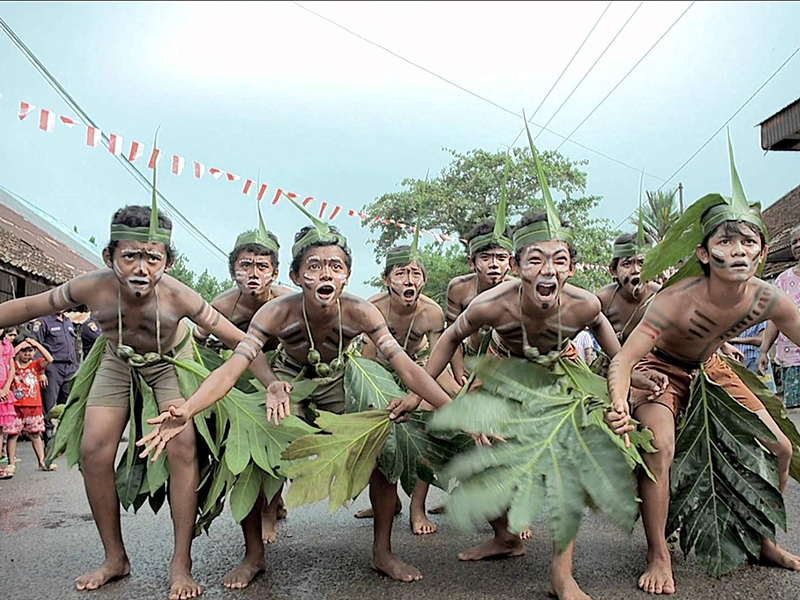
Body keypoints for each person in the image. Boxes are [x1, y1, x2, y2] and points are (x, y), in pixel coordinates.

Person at [387, 136, 665, 600]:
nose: (547, 271)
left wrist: (626, 382)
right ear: (517, 265)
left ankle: (562, 572)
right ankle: (505, 536)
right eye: (535, 260)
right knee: (460, 446)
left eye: (559, 260)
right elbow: (452, 338)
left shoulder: (584, 305)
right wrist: (419, 394)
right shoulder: (489, 305)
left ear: (572, 266)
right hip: (500, 371)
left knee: (570, 460)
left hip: (561, 373)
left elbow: (613, 349)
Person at [138, 197, 454, 584]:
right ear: (297, 273)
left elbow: (407, 368)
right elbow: (235, 366)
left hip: (341, 377)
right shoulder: (275, 313)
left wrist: (455, 410)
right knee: (253, 451)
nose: (325, 274)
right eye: (314, 266)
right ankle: (253, 555)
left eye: (335, 266)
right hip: (287, 381)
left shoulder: (361, 312)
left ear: (347, 276)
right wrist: (189, 408)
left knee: (383, 447)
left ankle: (383, 552)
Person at [0, 178, 278, 598]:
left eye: (153, 257)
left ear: (167, 260)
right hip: (116, 360)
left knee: (182, 447)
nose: (141, 268)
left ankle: (180, 562)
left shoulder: (179, 297)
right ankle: (115, 557)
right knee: (94, 450)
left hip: (171, 364)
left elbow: (243, 341)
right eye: (130, 256)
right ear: (110, 255)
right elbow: (27, 305)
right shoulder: (89, 287)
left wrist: (272, 384)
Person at [604, 139, 800, 595]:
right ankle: (658, 552)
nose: (737, 250)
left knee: (780, 448)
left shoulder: (770, 299)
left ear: (761, 254)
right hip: (661, 369)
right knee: (659, 447)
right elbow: (625, 358)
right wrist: (619, 401)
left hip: (712, 368)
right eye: (725, 241)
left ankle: (763, 538)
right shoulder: (674, 301)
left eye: (747, 241)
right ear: (705, 253)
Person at [194, 205, 293, 589]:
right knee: (246, 454)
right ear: (233, 268)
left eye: (262, 266)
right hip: (237, 382)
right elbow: (197, 343)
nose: (253, 274)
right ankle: (260, 523)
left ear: (275, 272)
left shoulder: (286, 301)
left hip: (280, 377)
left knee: (279, 444)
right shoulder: (221, 306)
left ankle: (272, 505)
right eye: (246, 265)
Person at [353, 234, 461, 534]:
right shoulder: (371, 308)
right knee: (381, 424)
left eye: (415, 273)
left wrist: (452, 395)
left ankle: (417, 506)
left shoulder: (432, 312)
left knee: (429, 419)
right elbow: (368, 361)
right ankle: (386, 502)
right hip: (382, 372)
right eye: (400, 273)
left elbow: (439, 361)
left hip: (422, 368)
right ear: (386, 279)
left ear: (424, 280)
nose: (408, 280)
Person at [1, 335, 57, 476]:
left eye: (30, 351)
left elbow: (50, 359)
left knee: (35, 434)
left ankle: (42, 461)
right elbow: (10, 355)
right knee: (13, 435)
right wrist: (20, 345)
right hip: (17, 407)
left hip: (34, 406)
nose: (27, 354)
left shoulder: (36, 365)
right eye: (24, 351)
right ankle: (11, 464)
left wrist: (36, 344)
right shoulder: (14, 366)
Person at [759, 224, 800, 408]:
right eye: (794, 242)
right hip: (791, 360)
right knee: (795, 413)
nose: (797, 245)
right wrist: (763, 351)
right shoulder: (783, 280)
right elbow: (773, 319)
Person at [31, 310, 79, 442]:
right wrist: (41, 372)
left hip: (70, 367)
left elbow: (73, 346)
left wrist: (76, 367)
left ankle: (65, 437)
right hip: (52, 367)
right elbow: (36, 348)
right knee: (50, 404)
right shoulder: (43, 322)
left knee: (69, 403)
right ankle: (48, 437)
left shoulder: (68, 321)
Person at [730, 322, 776, 391]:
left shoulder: (760, 318)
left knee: (763, 391)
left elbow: (761, 340)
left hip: (755, 359)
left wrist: (735, 340)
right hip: (738, 360)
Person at [0, 327, 18, 475]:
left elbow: (12, 369)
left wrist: (5, 388)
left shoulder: (7, 344)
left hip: (4, 391)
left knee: (0, 430)